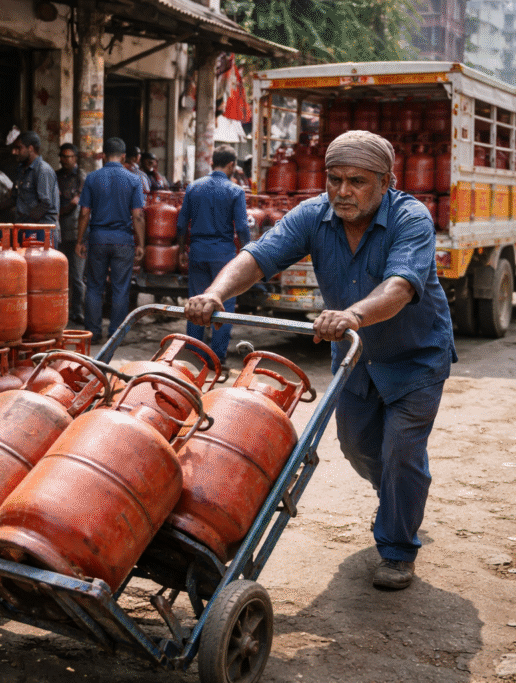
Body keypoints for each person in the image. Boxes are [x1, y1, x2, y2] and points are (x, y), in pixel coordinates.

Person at [184, 130, 456, 591]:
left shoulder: (412, 219)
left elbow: (400, 288)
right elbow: (258, 256)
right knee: (357, 447)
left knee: (400, 450)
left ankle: (397, 547)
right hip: (356, 360)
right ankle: (398, 494)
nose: (343, 192)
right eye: (334, 180)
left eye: (357, 181)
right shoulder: (314, 215)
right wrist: (214, 293)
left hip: (416, 358)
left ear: (386, 181)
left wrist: (351, 314)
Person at [176, 147, 251, 382]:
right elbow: (242, 227)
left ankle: (195, 357)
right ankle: (216, 359)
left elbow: (181, 223)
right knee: (224, 305)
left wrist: (181, 250)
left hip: (197, 251)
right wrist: (249, 253)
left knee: (197, 302)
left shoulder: (194, 187)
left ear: (212, 162)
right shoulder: (235, 190)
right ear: (231, 165)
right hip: (223, 254)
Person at [75, 137, 146, 343]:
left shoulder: (92, 178)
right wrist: (141, 243)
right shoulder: (133, 180)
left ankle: (93, 333)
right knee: (120, 288)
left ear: (103, 156)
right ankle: (116, 333)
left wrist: (80, 241)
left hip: (97, 239)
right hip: (123, 240)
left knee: (95, 286)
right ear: (124, 156)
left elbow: (84, 213)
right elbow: (138, 215)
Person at [0, 131, 60, 246]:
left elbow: (45, 203)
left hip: (41, 230)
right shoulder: (21, 170)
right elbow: (15, 198)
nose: (14, 152)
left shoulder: (42, 170)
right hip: (26, 228)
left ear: (30, 148)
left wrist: (26, 224)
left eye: (18, 148)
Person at [57, 142, 87, 326]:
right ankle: (63, 312)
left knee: (77, 277)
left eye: (69, 157)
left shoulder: (81, 177)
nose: (66, 160)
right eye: (63, 156)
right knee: (60, 276)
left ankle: (78, 312)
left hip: (76, 233)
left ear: (75, 158)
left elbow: (76, 204)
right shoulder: (56, 175)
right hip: (60, 232)